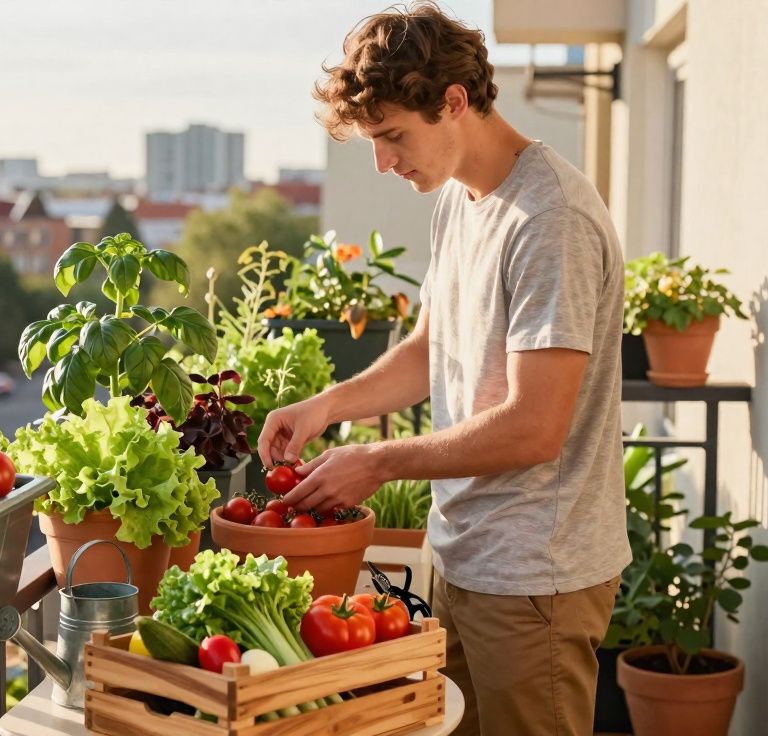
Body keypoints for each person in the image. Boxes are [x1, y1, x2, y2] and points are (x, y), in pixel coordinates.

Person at [258, 4, 629, 734]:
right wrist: (327, 406)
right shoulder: (461, 198)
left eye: (393, 135)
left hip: (535, 578)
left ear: (455, 102)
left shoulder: (549, 220)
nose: (383, 162)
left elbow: (534, 428)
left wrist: (379, 461)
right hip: (463, 557)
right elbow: (433, 347)